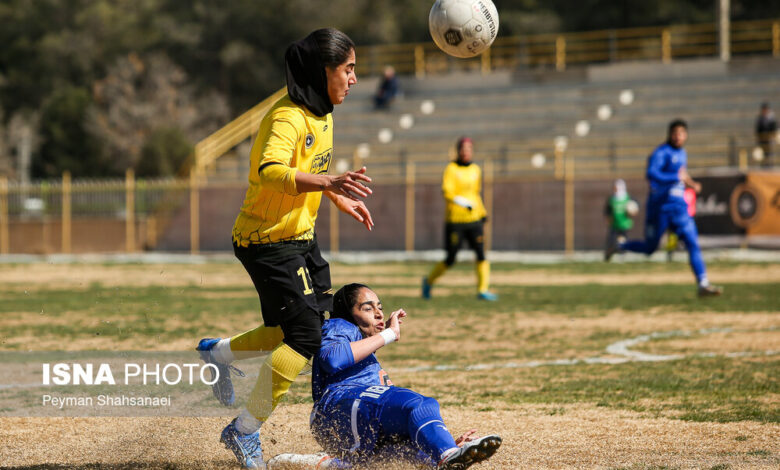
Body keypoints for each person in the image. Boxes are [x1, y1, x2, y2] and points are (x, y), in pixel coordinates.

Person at [195, 28, 376, 469]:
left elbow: (314, 168)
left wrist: (335, 194)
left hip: (300, 239)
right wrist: (329, 183)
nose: (354, 78)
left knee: (288, 334)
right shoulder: (287, 117)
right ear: (323, 70)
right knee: (305, 336)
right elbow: (271, 170)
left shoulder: (324, 114)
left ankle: (218, 353)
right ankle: (244, 431)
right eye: (348, 69)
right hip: (266, 242)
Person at [302, 283, 502, 469]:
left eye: (379, 307)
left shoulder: (363, 351)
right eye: (368, 308)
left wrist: (442, 441)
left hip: (345, 418)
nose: (379, 313)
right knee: (417, 404)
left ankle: (305, 463)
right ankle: (447, 454)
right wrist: (389, 334)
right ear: (348, 313)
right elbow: (332, 359)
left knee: (417, 457)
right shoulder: (340, 325)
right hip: (338, 407)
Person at [605, 119, 722, 297]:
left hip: (679, 208)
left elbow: (681, 176)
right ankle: (620, 245)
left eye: (681, 133)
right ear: (669, 134)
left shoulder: (682, 153)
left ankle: (703, 283)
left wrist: (691, 184)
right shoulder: (661, 152)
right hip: (660, 208)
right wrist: (675, 177)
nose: (678, 137)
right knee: (650, 248)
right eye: (675, 133)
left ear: (686, 135)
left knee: (692, 242)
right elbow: (652, 173)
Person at [422, 137, 497, 301]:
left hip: (474, 219)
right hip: (455, 220)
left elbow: (476, 194)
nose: (466, 151)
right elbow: (447, 192)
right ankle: (428, 281)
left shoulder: (476, 170)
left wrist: (482, 211)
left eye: (469, 148)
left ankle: (482, 290)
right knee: (451, 258)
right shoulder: (451, 169)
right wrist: (462, 203)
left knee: (481, 255)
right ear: (458, 150)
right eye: (463, 148)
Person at [603, 179, 634, 261]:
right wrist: (608, 218)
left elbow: (634, 207)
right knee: (611, 240)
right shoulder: (612, 199)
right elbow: (607, 210)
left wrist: (633, 211)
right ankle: (608, 255)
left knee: (623, 240)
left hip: (624, 223)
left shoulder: (627, 197)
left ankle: (622, 255)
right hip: (614, 223)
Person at [665, 186, 696, 262]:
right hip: (678, 217)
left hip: (687, 218)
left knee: (688, 239)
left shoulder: (690, 192)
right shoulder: (679, 192)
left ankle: (688, 252)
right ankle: (670, 253)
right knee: (672, 236)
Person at [756, 102, 777, 167]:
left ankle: (770, 165)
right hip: (762, 139)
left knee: (770, 153)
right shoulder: (760, 118)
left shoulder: (771, 118)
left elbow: (774, 127)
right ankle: (763, 165)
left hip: (769, 139)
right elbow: (758, 129)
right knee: (763, 153)